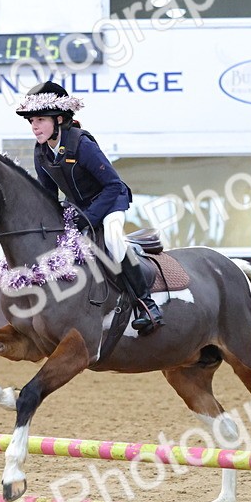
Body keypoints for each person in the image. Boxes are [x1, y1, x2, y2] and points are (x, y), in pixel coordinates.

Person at [15, 80, 163, 334]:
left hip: (110, 203)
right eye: (31, 121)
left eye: (39, 119)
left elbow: (113, 185)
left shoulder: (81, 144)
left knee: (115, 241)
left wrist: (89, 218)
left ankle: (146, 304)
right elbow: (48, 195)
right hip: (80, 209)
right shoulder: (41, 151)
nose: (34, 126)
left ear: (59, 119)